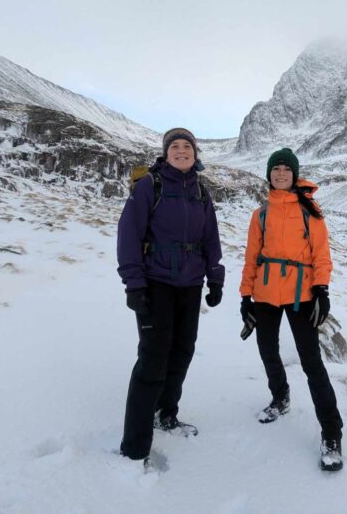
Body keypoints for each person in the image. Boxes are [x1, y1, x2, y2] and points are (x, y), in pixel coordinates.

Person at [117, 127, 224, 463]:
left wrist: (215, 279)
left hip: (190, 286)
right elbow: (128, 236)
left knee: (181, 352)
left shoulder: (201, 193)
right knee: (152, 359)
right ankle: (134, 446)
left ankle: (166, 414)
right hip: (155, 283)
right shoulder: (150, 185)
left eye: (187, 146)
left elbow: (210, 240)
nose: (181, 151)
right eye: (175, 146)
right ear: (165, 153)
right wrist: (134, 284)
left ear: (195, 154)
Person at [239, 147, 344, 471]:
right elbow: (251, 257)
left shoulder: (310, 212)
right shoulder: (260, 215)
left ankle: (331, 434)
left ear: (294, 175)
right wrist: (245, 298)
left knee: (312, 363)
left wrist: (322, 291)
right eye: (276, 169)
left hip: (302, 295)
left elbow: (321, 256)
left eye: (286, 169)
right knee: (268, 351)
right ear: (269, 175)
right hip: (266, 294)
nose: (281, 173)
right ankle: (280, 397)